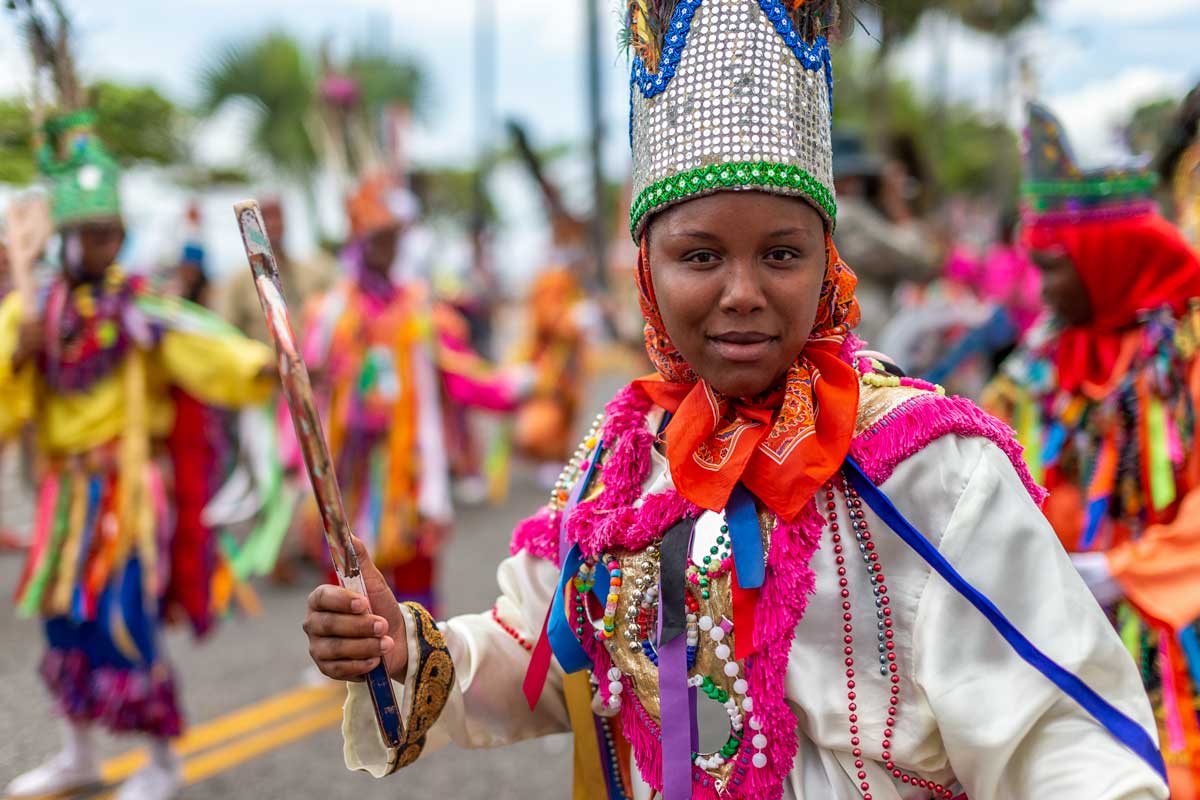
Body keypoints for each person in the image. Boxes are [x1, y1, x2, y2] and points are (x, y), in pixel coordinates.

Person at [304, 6, 1166, 798]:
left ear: (829, 261)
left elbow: (1064, 740)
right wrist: (406, 650)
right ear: (647, 269)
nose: (743, 291)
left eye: (783, 255)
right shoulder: (626, 462)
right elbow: (538, 650)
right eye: (701, 256)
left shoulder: (926, 468)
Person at [1, 111, 275, 800]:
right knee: (62, 620)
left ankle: (160, 761)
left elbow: (205, 346)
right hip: (64, 495)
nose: (103, 243)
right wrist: (16, 356)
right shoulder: (31, 313)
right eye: (90, 232)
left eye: (111, 232)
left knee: (124, 617)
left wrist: (265, 365)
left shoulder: (141, 307)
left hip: (127, 492)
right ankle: (79, 752)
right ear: (64, 237)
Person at [985, 101, 1200, 795]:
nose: (1040, 289)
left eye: (1054, 268)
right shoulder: (1039, 361)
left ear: (1107, 263)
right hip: (1059, 636)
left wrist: (1122, 570)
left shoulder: (1186, 357)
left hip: (1178, 645)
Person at [299, 174, 525, 612]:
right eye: (378, 238)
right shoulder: (330, 314)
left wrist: (517, 387)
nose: (387, 248)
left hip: (413, 468)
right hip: (351, 468)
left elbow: (462, 374)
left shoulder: (420, 310)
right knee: (347, 561)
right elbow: (309, 388)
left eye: (393, 238)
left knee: (416, 565)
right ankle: (354, 664)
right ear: (358, 241)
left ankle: (419, 656)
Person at [215, 195, 334, 346]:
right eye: (265, 217)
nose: (272, 224)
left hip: (313, 367)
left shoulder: (313, 273)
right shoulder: (238, 283)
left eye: (277, 216)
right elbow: (227, 336)